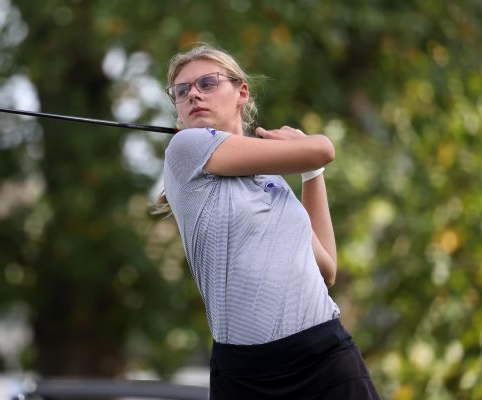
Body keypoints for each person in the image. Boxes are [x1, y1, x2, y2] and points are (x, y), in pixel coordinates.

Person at [157, 44, 380, 399]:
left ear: (241, 92)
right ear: (179, 110)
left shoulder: (272, 180)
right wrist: (306, 147)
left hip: (324, 356)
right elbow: (324, 147)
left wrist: (312, 174)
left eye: (207, 83)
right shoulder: (186, 147)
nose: (194, 94)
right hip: (246, 374)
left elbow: (327, 269)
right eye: (182, 91)